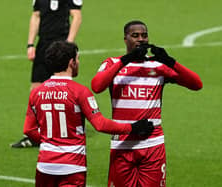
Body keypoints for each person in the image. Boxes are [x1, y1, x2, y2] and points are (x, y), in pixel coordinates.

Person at [23, 41, 156, 187]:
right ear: (71, 62)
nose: (78, 62)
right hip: (73, 166)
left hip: (45, 166)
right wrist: (133, 128)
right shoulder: (80, 92)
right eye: (77, 59)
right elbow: (100, 124)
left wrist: (50, 142)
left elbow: (28, 130)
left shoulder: (36, 92)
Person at [91, 20, 203, 187]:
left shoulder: (158, 66)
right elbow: (97, 86)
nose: (141, 39)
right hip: (122, 143)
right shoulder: (112, 64)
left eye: (144, 35)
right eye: (135, 35)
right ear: (125, 39)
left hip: (152, 144)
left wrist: (171, 61)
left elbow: (196, 84)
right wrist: (127, 59)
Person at [11, 0, 82, 148]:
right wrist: (30, 44)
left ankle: (65, 130)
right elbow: (36, 16)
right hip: (43, 45)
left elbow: (76, 16)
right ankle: (32, 135)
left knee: (64, 89)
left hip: (62, 44)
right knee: (36, 89)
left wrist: (68, 43)